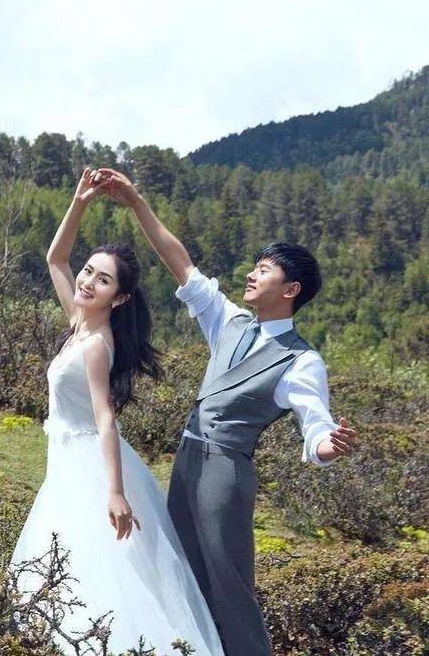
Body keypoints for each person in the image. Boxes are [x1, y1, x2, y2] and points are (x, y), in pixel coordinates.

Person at [95, 167, 357, 656]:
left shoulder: (301, 360)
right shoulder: (229, 320)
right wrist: (135, 202)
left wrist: (329, 445)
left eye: (264, 270)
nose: (251, 275)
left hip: (226, 472)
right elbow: (180, 263)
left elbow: (316, 426)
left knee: (229, 583)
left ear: (291, 289)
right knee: (184, 572)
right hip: (187, 461)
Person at [8, 168, 226, 656]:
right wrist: (79, 202)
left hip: (89, 465)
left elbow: (106, 418)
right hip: (69, 461)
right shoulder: (78, 322)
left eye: (102, 280)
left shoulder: (94, 345)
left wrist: (115, 492)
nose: (87, 281)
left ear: (120, 297)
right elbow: (55, 258)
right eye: (89, 271)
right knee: (75, 567)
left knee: (100, 572)